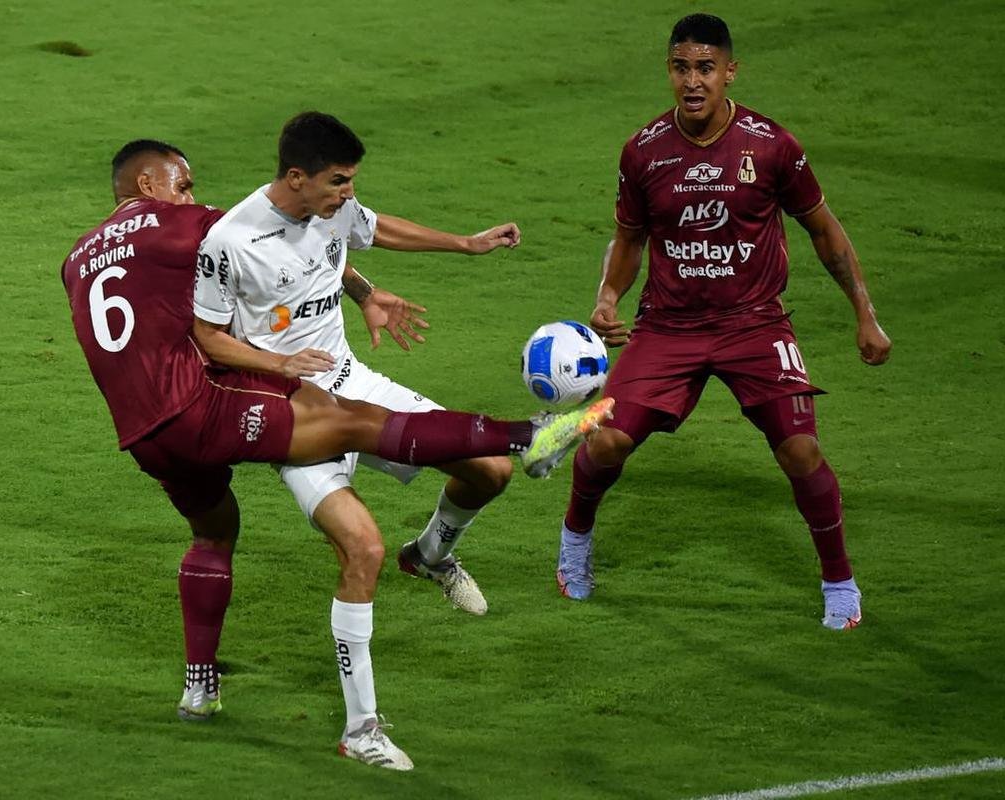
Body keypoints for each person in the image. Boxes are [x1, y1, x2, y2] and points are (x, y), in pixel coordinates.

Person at [60, 139, 612, 772]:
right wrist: (276, 360)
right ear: (149, 188)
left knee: (222, 529)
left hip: (145, 433)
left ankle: (209, 681)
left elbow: (325, 237)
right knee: (356, 498)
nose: (191, 194)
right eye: (181, 185)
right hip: (227, 399)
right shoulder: (194, 224)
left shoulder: (77, 257)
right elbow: (226, 293)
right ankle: (531, 435)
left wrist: (374, 286)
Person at [554, 14, 891, 631]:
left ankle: (839, 579)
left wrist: (864, 314)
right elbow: (628, 240)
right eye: (681, 67)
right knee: (605, 441)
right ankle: (575, 537)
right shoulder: (643, 151)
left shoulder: (771, 146)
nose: (692, 81)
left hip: (754, 323)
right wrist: (607, 299)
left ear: (729, 72)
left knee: (800, 450)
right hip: (668, 326)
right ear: (669, 71)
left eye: (705, 68)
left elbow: (825, 231)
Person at [195, 112, 522, 625]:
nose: (349, 193)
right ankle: (361, 707)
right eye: (340, 181)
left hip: (353, 382)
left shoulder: (332, 208)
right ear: (297, 177)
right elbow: (208, 337)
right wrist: (280, 363)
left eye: (352, 181)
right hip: (295, 414)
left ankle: (429, 555)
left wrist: (463, 244)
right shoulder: (228, 241)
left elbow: (364, 231)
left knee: (491, 468)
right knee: (361, 547)